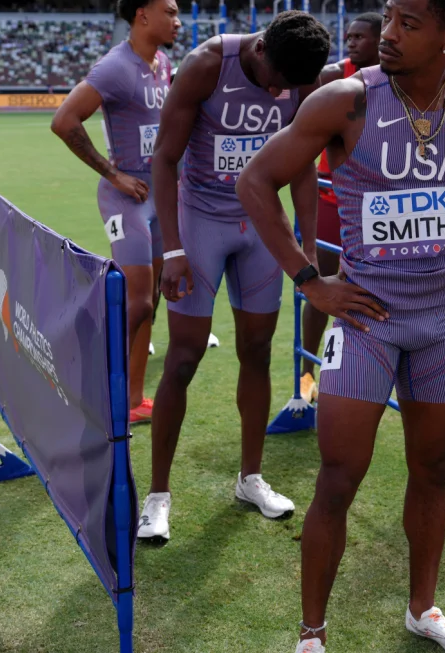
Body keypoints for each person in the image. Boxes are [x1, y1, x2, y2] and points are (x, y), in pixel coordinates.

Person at [236, 0, 445, 648]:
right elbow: (256, 180)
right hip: (366, 323)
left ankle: (423, 609)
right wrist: (310, 281)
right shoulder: (345, 101)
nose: (387, 34)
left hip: (443, 323)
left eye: (407, 24)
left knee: (432, 471)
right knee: (337, 476)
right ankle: (311, 634)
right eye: (387, 18)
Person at [138, 12, 332, 544]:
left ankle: (250, 478)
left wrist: (306, 249)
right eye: (273, 80)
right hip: (202, 220)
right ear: (261, 46)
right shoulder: (205, 66)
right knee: (182, 359)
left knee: (259, 349)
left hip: (262, 229)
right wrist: (172, 249)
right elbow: (166, 158)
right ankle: (157, 496)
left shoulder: (300, 77)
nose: (277, 93)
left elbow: (305, 165)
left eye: (287, 88)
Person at [50, 0, 180, 425]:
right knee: (138, 301)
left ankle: (134, 399)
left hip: (159, 196)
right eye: (170, 12)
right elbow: (64, 120)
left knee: (152, 300)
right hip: (126, 198)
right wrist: (114, 174)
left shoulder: (162, 62)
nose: (177, 21)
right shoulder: (114, 67)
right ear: (143, 14)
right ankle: (94, 389)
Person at [299, 12, 383, 404]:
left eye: (360, 37)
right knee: (324, 282)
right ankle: (306, 372)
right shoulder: (334, 76)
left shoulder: (399, 81)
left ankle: (362, 370)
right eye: (348, 36)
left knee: (370, 289)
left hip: (378, 207)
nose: (350, 42)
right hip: (333, 200)